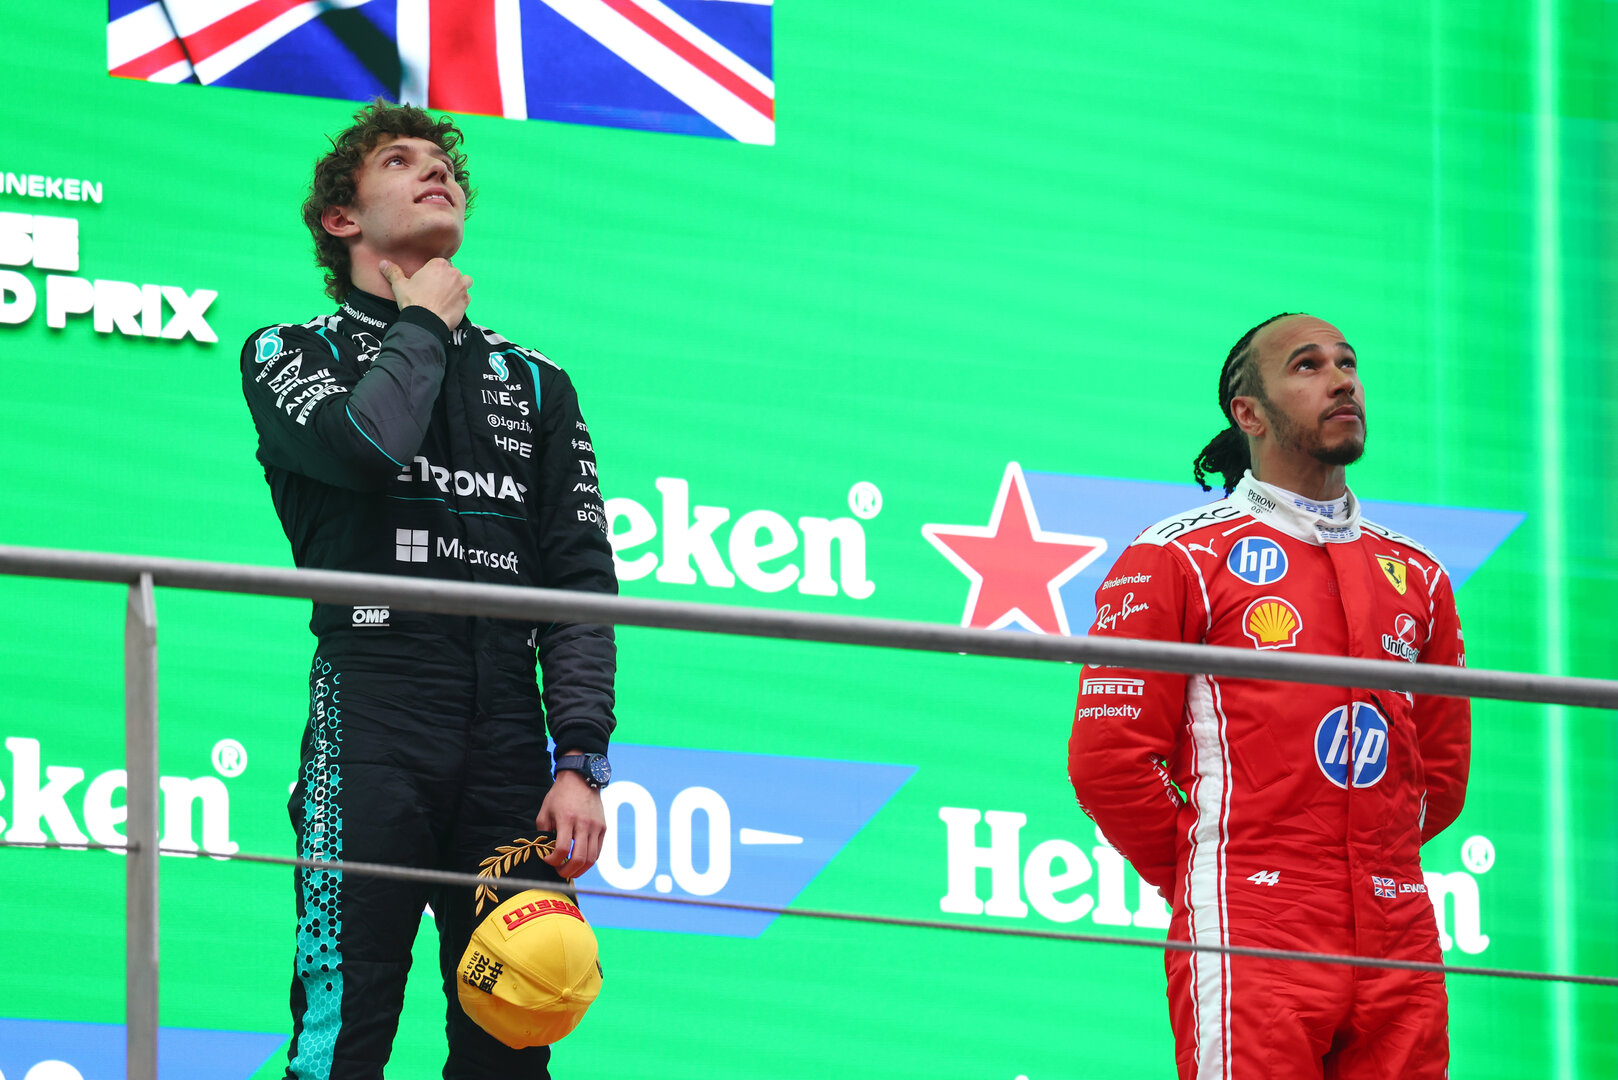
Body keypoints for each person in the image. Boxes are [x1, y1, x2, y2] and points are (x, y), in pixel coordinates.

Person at [239, 100, 618, 1080]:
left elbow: (579, 582)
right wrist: (420, 323)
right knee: (346, 1021)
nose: (436, 172)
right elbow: (365, 449)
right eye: (400, 161)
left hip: (507, 737)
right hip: (373, 710)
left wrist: (578, 755)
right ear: (341, 220)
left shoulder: (536, 381)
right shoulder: (288, 352)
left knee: (517, 1022)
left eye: (444, 161)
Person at [1067, 313, 1470, 1079]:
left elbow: (1440, 775)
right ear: (1247, 413)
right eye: (1308, 366)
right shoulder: (1176, 555)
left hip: (1399, 928)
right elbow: (1108, 759)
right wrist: (1214, 870)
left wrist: (1370, 864)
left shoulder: (1417, 574)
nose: (1343, 379)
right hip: (1252, 921)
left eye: (1349, 364)